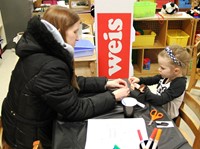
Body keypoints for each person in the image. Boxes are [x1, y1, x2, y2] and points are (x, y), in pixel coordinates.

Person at [1, 5, 130, 149]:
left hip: (21, 122)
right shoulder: (50, 66)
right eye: (75, 32)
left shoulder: (41, 49)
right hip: (27, 137)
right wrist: (113, 97)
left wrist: (105, 83)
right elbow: (75, 109)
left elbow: (66, 82)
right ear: (59, 32)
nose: (78, 37)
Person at [128, 45, 191, 121]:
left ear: (176, 71)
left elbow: (161, 100)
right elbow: (152, 79)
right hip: (158, 109)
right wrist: (139, 80)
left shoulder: (179, 84)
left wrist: (145, 90)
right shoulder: (167, 75)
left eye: (162, 68)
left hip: (167, 118)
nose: (159, 69)